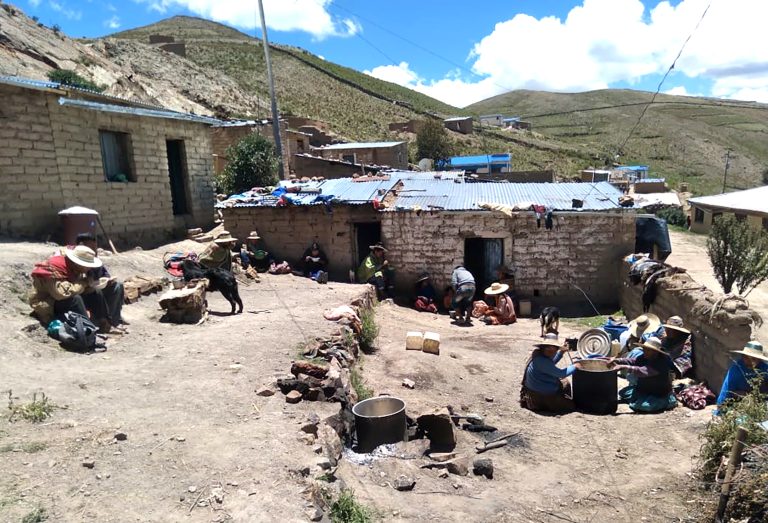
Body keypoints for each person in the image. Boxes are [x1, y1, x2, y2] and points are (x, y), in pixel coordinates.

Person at [29, 245, 115, 332]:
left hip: (61, 299)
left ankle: (104, 322)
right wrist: (84, 283)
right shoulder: (54, 269)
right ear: (77, 263)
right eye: (87, 265)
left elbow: (76, 286)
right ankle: (87, 329)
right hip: (47, 302)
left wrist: (91, 285)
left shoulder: (76, 269)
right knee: (75, 299)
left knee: (95, 292)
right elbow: (61, 294)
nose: (89, 268)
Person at [608, 337, 677, 413]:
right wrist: (618, 360)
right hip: (643, 390)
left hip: (658, 394)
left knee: (644, 406)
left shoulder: (662, 362)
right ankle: (640, 400)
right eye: (644, 349)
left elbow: (644, 371)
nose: (644, 351)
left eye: (648, 350)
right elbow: (633, 361)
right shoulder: (644, 357)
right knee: (623, 393)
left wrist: (624, 367)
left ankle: (668, 402)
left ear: (655, 351)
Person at [74, 233, 127, 328]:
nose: (94, 252)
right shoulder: (75, 259)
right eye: (91, 248)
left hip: (96, 289)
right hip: (82, 293)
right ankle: (102, 321)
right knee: (96, 292)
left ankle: (114, 320)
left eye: (95, 248)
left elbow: (104, 275)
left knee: (118, 286)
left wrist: (108, 280)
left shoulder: (94, 259)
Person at [520, 333, 581, 414]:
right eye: (548, 348)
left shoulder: (538, 355)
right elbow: (561, 373)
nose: (551, 351)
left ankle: (559, 398)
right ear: (543, 347)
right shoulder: (541, 361)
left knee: (565, 382)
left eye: (554, 349)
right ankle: (551, 403)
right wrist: (575, 366)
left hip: (535, 389)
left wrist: (561, 353)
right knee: (571, 406)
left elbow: (550, 364)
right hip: (539, 395)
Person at [716, 341, 768, 411]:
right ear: (743, 356)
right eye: (746, 357)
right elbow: (726, 392)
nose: (749, 361)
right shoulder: (736, 369)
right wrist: (721, 408)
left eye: (753, 359)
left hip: (761, 404)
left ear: (759, 359)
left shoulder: (765, 369)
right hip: (738, 405)